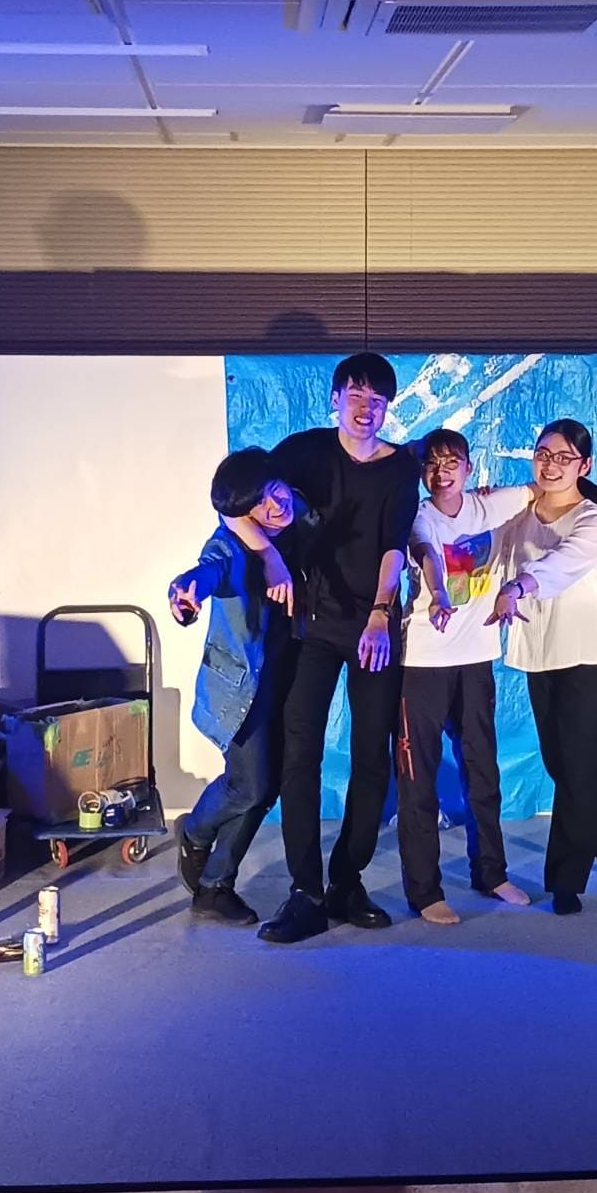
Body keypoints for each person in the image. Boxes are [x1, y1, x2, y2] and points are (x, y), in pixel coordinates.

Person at [230, 352, 421, 944]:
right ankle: (306, 891)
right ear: (336, 398)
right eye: (355, 396)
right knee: (299, 756)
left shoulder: (400, 468)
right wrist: (268, 554)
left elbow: (393, 546)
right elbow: (231, 500)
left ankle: (347, 879)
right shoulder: (303, 451)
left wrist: (380, 613)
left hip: (372, 629)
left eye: (377, 400)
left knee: (372, 758)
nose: (366, 409)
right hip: (310, 629)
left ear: (388, 407)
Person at [400, 427, 597, 924]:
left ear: (469, 467)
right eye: (432, 464)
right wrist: (439, 594)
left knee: (484, 772)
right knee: (419, 780)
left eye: (451, 463)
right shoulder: (419, 516)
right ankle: (425, 891)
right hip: (424, 661)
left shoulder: (497, 505)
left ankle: (491, 872)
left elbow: (558, 486)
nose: (442, 473)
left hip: (477, 656)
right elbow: (427, 554)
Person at [497, 419, 597, 915]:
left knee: (578, 767)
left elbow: (562, 563)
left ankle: (566, 880)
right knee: (559, 764)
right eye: (544, 454)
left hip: (591, 651)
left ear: (585, 465)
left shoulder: (595, 519)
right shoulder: (519, 511)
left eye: (564, 457)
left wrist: (518, 586)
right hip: (541, 650)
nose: (551, 465)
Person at [168, 451, 307, 925]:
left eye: (275, 491)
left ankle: (213, 887)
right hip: (244, 688)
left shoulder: (299, 515)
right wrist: (187, 591)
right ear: (242, 514)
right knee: (250, 784)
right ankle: (195, 830)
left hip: (291, 674)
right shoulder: (229, 546)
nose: (275, 506)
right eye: (259, 504)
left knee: (263, 790)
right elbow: (207, 570)